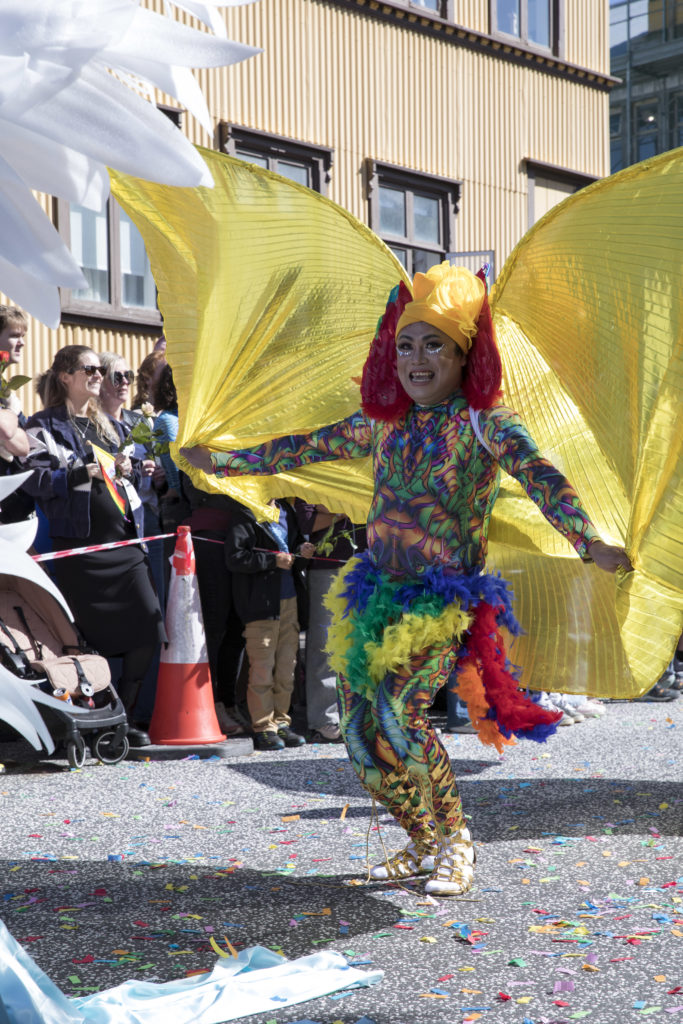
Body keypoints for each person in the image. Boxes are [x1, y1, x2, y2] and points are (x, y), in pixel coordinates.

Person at [181, 263, 632, 895]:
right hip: (377, 595)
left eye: (433, 345)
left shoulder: (486, 423)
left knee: (403, 718)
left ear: (463, 354)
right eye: (405, 346)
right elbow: (298, 448)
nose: (417, 359)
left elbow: (542, 479)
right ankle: (421, 841)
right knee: (362, 743)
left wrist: (591, 544)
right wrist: (221, 462)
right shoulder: (383, 422)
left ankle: (457, 843)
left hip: (441, 601)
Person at [20, 345, 166, 747]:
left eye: (102, 369)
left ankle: (130, 716)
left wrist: (133, 472)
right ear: (66, 376)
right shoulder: (43, 424)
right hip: (80, 552)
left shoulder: (110, 425)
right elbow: (34, 480)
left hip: (124, 544)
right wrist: (76, 473)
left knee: (149, 628)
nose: (100, 374)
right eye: (91, 368)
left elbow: (131, 484)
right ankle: (98, 714)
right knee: (87, 639)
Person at [225, 498, 315, 750]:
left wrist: (303, 553)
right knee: (263, 667)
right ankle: (264, 727)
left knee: (287, 667)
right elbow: (235, 557)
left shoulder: (286, 510)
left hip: (290, 601)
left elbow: (294, 553)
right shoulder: (245, 511)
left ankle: (281, 722)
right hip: (260, 603)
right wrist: (271, 561)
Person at [295, 501, 366, 743]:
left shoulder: (367, 468)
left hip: (367, 569)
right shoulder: (314, 476)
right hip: (328, 569)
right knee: (325, 646)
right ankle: (325, 720)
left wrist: (331, 510)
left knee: (364, 646)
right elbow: (309, 522)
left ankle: (359, 717)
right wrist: (349, 509)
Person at [0, 305, 33, 523]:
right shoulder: (11, 399)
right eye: (14, 336)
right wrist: (12, 410)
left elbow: (24, 446)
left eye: (23, 336)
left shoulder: (6, 389)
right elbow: (6, 428)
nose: (21, 342)